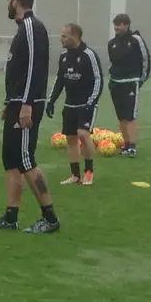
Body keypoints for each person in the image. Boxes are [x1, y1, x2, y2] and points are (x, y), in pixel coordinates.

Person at [0, 0, 60, 234]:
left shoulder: (31, 26)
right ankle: (10, 216)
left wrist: (26, 103)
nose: (8, 3)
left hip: (28, 104)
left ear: (16, 1)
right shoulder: (22, 30)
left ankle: (50, 218)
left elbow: (34, 69)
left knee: (26, 159)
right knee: (11, 158)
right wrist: (10, 103)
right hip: (17, 103)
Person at [46, 23, 103, 186]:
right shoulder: (64, 57)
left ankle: (89, 172)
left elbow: (98, 79)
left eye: (64, 36)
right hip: (69, 105)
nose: (61, 39)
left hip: (86, 104)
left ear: (75, 36)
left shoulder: (89, 55)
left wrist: (91, 102)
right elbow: (59, 80)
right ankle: (75, 175)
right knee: (71, 139)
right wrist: (51, 101)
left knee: (83, 134)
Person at [107, 14, 150, 158]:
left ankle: (132, 147)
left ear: (127, 25)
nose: (116, 28)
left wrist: (140, 80)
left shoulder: (136, 40)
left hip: (130, 83)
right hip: (115, 83)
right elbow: (112, 63)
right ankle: (125, 145)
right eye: (115, 25)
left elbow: (145, 60)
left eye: (119, 25)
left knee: (130, 116)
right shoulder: (112, 43)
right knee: (121, 117)